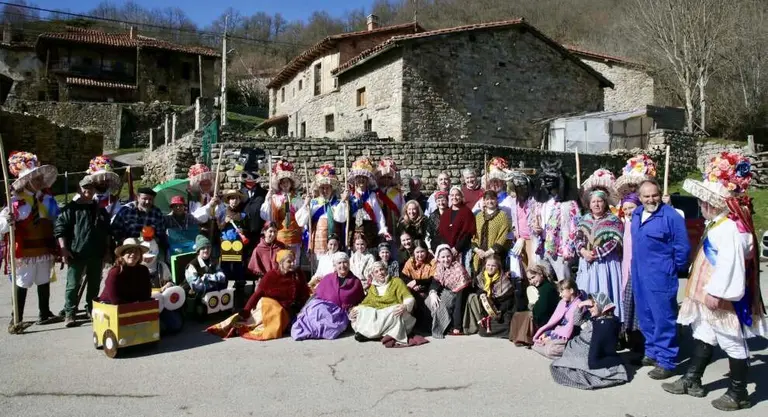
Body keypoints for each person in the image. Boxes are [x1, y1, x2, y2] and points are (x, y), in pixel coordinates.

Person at [663, 154, 767, 411]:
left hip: (720, 297)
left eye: (703, 200)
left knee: (731, 339)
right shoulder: (719, 223)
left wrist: (718, 293)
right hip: (707, 293)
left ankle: (739, 393)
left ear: (714, 203)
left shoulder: (729, 229)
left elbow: (730, 266)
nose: (700, 204)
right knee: (704, 332)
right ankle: (692, 379)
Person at [631, 178, 691, 380]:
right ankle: (652, 353)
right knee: (645, 315)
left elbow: (683, 248)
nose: (651, 199)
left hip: (661, 275)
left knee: (663, 317)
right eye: (646, 196)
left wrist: (672, 269)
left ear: (660, 194)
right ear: (640, 198)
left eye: (654, 195)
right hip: (639, 273)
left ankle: (667, 361)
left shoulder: (671, 216)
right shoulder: (637, 214)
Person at [1, 151, 61, 333]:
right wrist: (8, 221)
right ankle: (16, 319)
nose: (40, 181)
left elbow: (56, 219)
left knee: (43, 280)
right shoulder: (15, 204)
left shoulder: (47, 200)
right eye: (36, 178)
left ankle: (44, 313)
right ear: (26, 181)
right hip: (24, 253)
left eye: (40, 178)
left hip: (44, 248)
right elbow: (2, 227)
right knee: (22, 282)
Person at [207, 250, 309, 341]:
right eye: (289, 262)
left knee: (283, 314)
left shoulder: (298, 274)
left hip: (287, 311)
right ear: (281, 263)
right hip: (269, 309)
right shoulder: (270, 276)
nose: (293, 264)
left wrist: (304, 309)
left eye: (293, 261)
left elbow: (304, 293)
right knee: (271, 307)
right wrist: (246, 311)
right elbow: (257, 295)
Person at [54, 175, 111, 327]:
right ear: (79, 189)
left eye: (91, 188)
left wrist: (107, 251)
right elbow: (60, 230)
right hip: (76, 253)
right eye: (85, 188)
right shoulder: (70, 209)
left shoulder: (100, 209)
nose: (88, 191)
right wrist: (64, 250)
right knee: (73, 285)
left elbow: (107, 232)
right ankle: (70, 313)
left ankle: (91, 309)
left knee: (94, 285)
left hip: (96, 253)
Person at [550, 292, 629, 390]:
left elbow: (594, 356)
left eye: (592, 306)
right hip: (576, 345)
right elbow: (576, 322)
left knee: (558, 365)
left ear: (600, 305)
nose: (589, 309)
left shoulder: (604, 324)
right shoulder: (596, 318)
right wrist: (580, 305)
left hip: (584, 349)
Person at [574, 176, 624, 320]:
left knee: (604, 289)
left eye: (600, 201)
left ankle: (608, 321)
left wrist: (595, 254)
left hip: (605, 264)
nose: (596, 204)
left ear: (605, 203)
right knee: (587, 290)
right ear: (589, 204)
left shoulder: (613, 220)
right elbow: (577, 238)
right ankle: (587, 322)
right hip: (586, 262)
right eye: (593, 201)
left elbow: (615, 241)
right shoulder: (584, 219)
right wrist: (583, 251)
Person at [291, 252, 365, 341]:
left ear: (349, 264)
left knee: (331, 328)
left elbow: (361, 301)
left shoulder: (356, 282)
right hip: (324, 308)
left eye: (345, 262)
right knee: (313, 314)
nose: (342, 265)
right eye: (339, 263)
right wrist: (303, 309)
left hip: (341, 314)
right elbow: (316, 295)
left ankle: (316, 331)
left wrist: (352, 312)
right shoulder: (328, 278)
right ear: (335, 266)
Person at [350, 261, 421, 347]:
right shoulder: (373, 287)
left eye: (381, 269)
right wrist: (354, 310)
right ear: (373, 275)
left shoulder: (396, 281)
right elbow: (366, 303)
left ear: (386, 270)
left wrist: (405, 306)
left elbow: (409, 297)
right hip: (380, 313)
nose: (380, 273)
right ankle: (368, 333)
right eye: (376, 272)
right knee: (359, 310)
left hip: (392, 313)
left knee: (396, 310)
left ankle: (373, 335)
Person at [531, 160, 579, 282]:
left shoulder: (569, 202)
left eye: (550, 178)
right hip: (542, 248)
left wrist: (569, 249)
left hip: (560, 251)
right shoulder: (540, 201)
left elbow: (575, 227)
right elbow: (535, 220)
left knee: (564, 283)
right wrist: (535, 227)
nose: (547, 181)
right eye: (545, 178)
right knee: (544, 282)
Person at [260, 160, 309, 262]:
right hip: (279, 235)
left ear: (291, 183)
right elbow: (266, 216)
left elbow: (302, 219)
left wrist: (305, 205)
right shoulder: (274, 198)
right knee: (280, 261)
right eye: (282, 182)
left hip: (294, 236)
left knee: (294, 261)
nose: (285, 184)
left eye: (287, 181)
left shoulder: (297, 199)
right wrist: (267, 199)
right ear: (279, 184)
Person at [532, 279, 587, 359]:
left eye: (562, 292)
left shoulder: (579, 305)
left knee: (550, 350)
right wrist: (547, 333)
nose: (560, 295)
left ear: (571, 290)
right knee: (537, 343)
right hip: (557, 331)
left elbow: (570, 329)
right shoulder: (562, 302)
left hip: (569, 336)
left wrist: (551, 337)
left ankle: (569, 351)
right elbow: (554, 321)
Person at [509, 261, 560, 347]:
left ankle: (527, 338)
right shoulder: (538, 287)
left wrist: (532, 309)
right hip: (541, 315)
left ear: (541, 274)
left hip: (546, 320)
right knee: (517, 315)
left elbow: (542, 310)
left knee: (527, 316)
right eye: (529, 279)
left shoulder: (547, 288)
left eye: (533, 277)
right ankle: (518, 337)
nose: (532, 281)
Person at [463, 255, 515, 338]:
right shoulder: (480, 278)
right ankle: (481, 323)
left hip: (500, 311)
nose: (490, 268)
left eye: (493, 266)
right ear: (485, 265)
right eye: (488, 265)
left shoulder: (504, 280)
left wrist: (499, 311)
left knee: (506, 325)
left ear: (498, 267)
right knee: (472, 297)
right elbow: (475, 289)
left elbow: (509, 301)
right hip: (484, 311)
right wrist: (482, 293)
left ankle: (504, 330)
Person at [426, 244, 472, 337]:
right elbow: (436, 282)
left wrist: (457, 326)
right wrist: (432, 293)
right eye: (443, 257)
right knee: (430, 301)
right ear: (438, 258)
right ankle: (434, 326)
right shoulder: (440, 267)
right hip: (448, 291)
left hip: (460, 292)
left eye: (448, 256)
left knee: (442, 305)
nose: (446, 259)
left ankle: (449, 326)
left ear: (452, 256)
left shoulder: (457, 268)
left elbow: (460, 299)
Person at [307, 163, 348, 263]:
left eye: (327, 188)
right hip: (318, 241)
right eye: (322, 188)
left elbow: (340, 218)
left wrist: (343, 201)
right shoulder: (313, 203)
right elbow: (303, 222)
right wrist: (305, 205)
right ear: (318, 189)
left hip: (335, 242)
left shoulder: (337, 204)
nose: (325, 190)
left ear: (332, 189)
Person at [347, 157, 389, 247]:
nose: (361, 180)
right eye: (359, 177)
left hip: (369, 228)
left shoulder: (372, 196)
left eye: (364, 177)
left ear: (367, 180)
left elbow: (378, 214)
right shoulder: (349, 196)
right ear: (355, 180)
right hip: (354, 227)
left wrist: (382, 229)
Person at [111, 187, 167, 254]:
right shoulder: (126, 210)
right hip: (128, 247)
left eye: (150, 199)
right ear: (138, 198)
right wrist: (123, 240)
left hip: (149, 247)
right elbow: (115, 228)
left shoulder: (157, 212)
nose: (147, 202)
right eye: (144, 199)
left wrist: (155, 239)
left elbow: (161, 233)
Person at [96, 238, 152, 305]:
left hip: (132, 305)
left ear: (140, 256)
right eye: (130, 251)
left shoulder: (144, 270)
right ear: (122, 255)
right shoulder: (116, 272)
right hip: (109, 305)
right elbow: (116, 300)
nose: (133, 254)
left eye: (136, 252)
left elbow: (146, 295)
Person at [400, 240, 436, 331]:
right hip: (414, 288)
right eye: (417, 252)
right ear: (413, 252)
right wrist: (413, 284)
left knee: (423, 298)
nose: (420, 255)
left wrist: (417, 282)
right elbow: (403, 276)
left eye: (422, 251)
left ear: (426, 251)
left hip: (428, 288)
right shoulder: (410, 261)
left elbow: (433, 279)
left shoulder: (432, 261)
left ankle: (426, 325)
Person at [471, 190, 510, 274]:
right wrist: (478, 250)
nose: (490, 201)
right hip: (479, 254)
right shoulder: (479, 216)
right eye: (487, 199)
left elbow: (503, 236)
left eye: (492, 199)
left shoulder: (502, 216)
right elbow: (475, 235)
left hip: (494, 254)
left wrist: (489, 252)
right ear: (484, 201)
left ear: (496, 200)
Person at [508, 168, 538, 275]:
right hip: (519, 239)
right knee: (523, 270)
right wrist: (516, 235)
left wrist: (525, 238)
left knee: (533, 269)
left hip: (531, 239)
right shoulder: (513, 201)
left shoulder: (534, 201)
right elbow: (514, 219)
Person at [78, 155, 123, 222]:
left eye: (107, 179)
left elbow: (118, 220)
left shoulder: (113, 201)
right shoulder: (83, 197)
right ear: (94, 179)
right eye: (101, 178)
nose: (104, 181)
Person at [438, 187, 476, 263]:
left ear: (461, 197)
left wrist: (457, 248)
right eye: (452, 195)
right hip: (447, 251)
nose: (454, 197)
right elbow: (441, 233)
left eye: (457, 195)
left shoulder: (467, 212)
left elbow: (468, 233)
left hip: (463, 250)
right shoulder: (446, 213)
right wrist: (447, 248)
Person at [375, 157, 405, 244]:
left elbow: (403, 209)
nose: (386, 179)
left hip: (393, 225)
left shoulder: (396, 193)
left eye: (389, 177)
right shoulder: (375, 193)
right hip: (378, 225)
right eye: (384, 177)